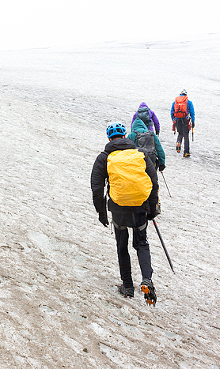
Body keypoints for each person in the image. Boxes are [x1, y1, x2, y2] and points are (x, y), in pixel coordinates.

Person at [91, 122, 159, 304]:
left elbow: (97, 188)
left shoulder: (104, 157)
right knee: (142, 244)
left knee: (122, 246)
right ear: (125, 136)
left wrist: (102, 213)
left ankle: (127, 286)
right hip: (140, 207)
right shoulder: (141, 154)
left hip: (118, 208)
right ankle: (147, 280)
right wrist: (152, 209)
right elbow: (153, 182)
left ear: (109, 138)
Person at [171, 89, 195, 157]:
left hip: (177, 120)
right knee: (186, 136)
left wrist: (173, 120)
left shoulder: (175, 102)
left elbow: (172, 112)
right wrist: (193, 121)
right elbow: (192, 113)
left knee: (180, 133)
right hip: (185, 120)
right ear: (186, 95)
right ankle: (186, 152)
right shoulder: (189, 102)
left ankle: (178, 142)